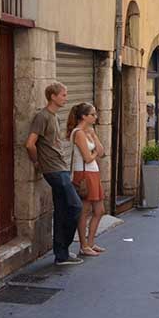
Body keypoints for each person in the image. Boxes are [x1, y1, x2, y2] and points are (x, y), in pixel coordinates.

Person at [25, 82, 83, 266]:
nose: (66, 97)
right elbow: (30, 143)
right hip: (54, 170)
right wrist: (36, 162)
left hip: (60, 167)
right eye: (63, 95)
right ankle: (63, 249)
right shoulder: (42, 117)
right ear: (53, 96)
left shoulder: (54, 117)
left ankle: (61, 254)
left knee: (61, 211)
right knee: (75, 206)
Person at [67, 102, 107, 256]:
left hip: (94, 173)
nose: (95, 117)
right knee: (84, 211)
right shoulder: (78, 133)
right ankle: (84, 245)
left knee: (99, 210)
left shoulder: (88, 132)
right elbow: (88, 158)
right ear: (84, 116)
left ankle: (91, 242)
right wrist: (95, 153)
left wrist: (94, 135)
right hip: (84, 174)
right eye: (93, 114)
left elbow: (102, 151)